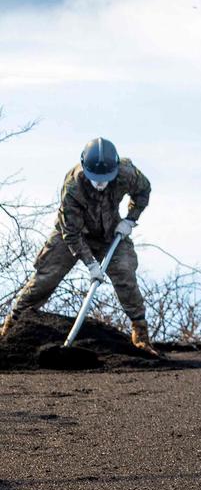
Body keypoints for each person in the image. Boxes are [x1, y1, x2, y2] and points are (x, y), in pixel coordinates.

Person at [0, 138, 159, 355]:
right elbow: (71, 234)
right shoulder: (73, 186)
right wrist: (91, 264)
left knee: (125, 273)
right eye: (96, 179)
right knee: (46, 276)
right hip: (72, 234)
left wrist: (130, 219)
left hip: (109, 232)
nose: (101, 183)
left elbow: (144, 191)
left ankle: (141, 335)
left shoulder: (126, 173)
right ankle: (10, 327)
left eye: (106, 178)